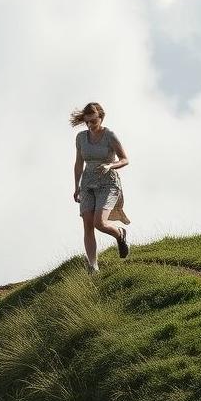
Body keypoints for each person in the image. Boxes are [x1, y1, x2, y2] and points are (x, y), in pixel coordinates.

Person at [70, 101, 130, 273]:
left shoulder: (109, 135)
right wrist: (76, 186)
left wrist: (110, 166)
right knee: (87, 223)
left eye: (93, 121)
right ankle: (93, 265)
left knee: (99, 223)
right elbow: (78, 163)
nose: (90, 125)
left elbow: (125, 159)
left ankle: (120, 234)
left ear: (101, 118)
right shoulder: (81, 138)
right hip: (87, 183)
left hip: (108, 182)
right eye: (87, 121)